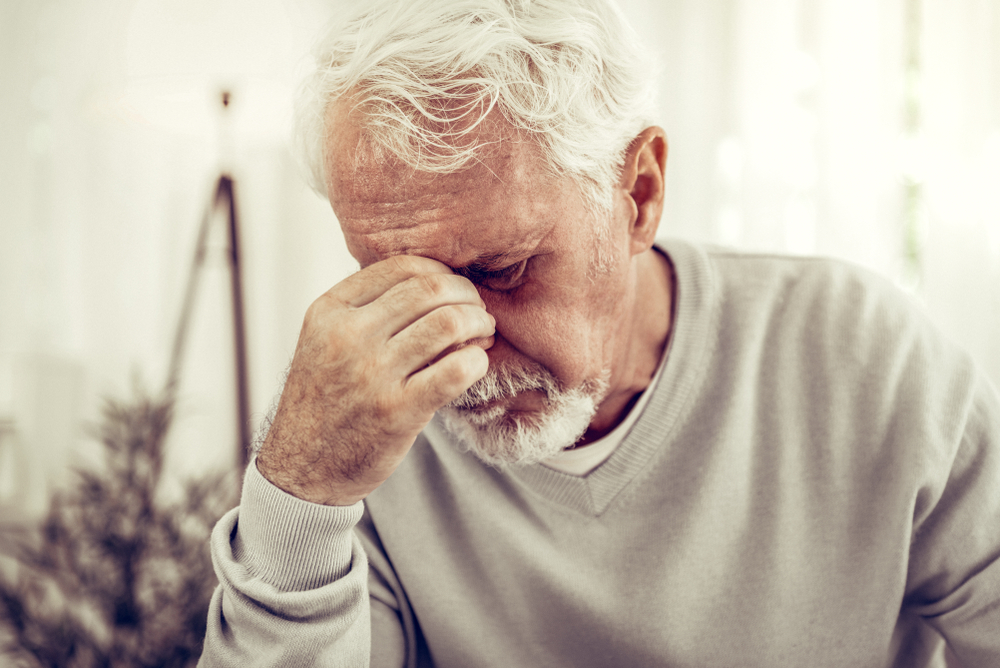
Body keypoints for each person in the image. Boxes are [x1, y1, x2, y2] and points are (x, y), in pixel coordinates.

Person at [199, 0, 1000, 666]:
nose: (458, 355)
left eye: (504, 270)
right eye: (393, 281)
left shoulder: (867, 363)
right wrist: (301, 491)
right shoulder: (358, 428)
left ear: (638, 192)